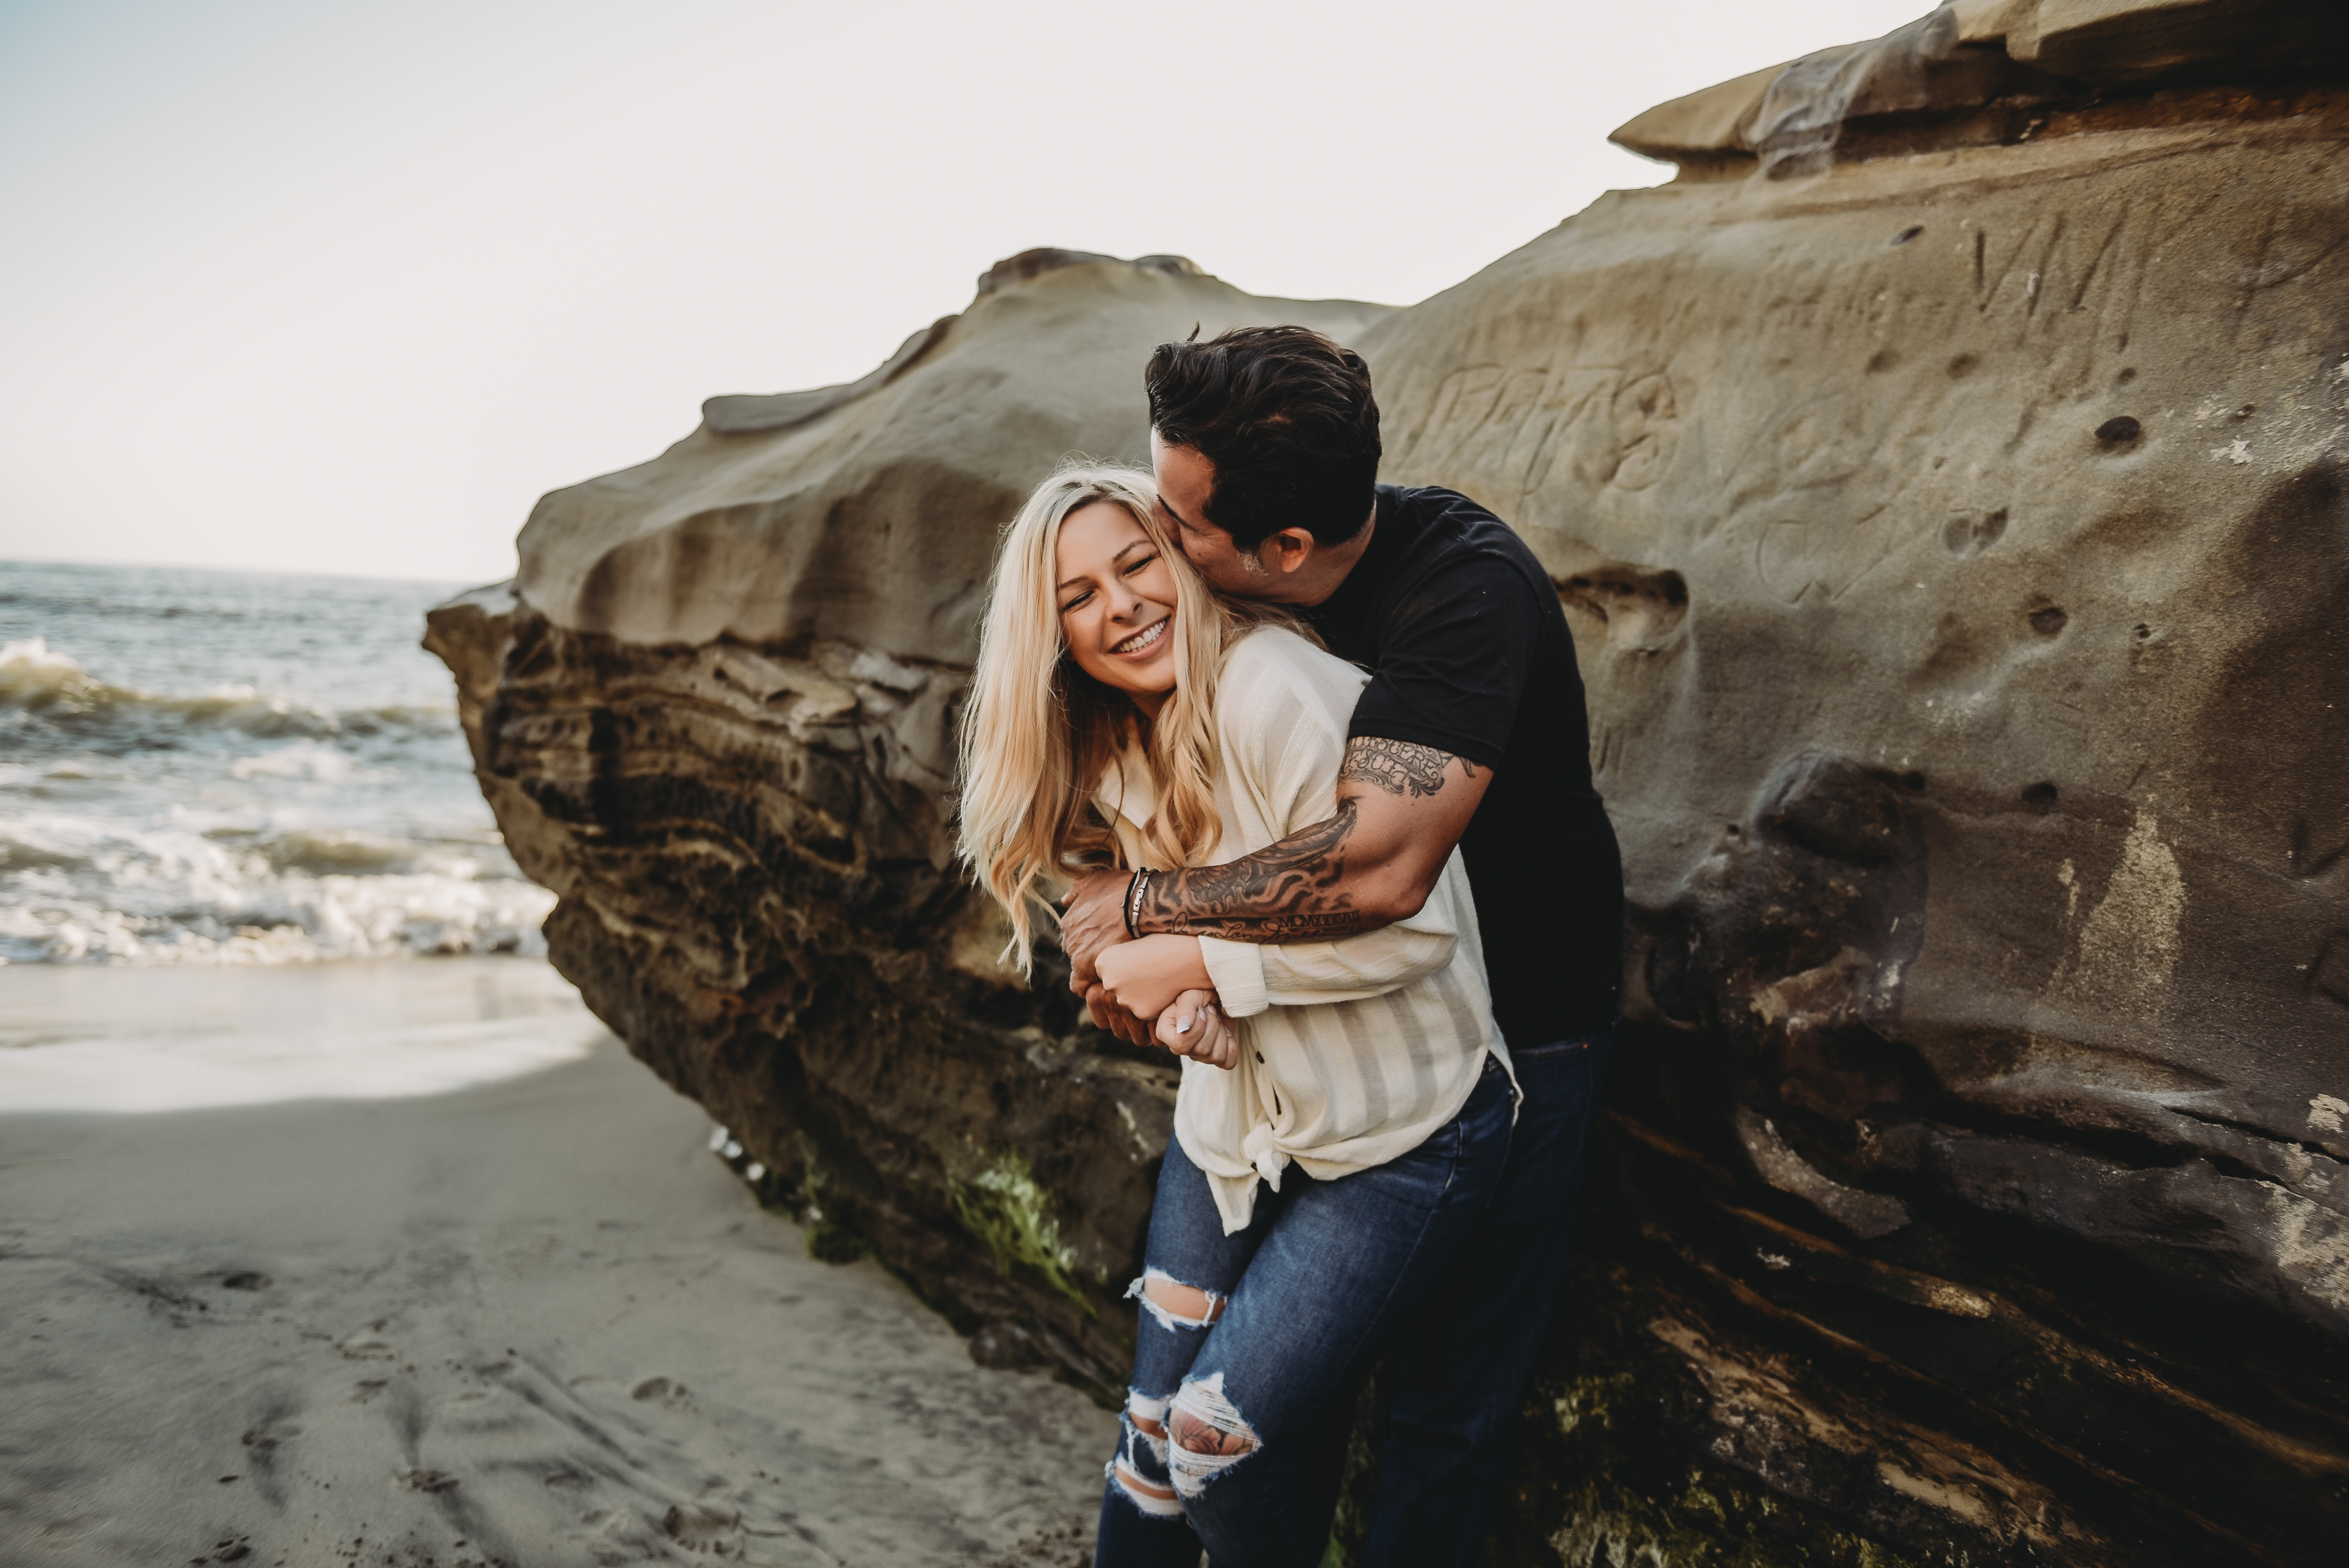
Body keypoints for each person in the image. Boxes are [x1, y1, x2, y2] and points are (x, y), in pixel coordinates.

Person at [1058, 326, 1624, 1566]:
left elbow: (1377, 867)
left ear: (1288, 550)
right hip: (1308, 1041)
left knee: (1446, 1402)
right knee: (1274, 1403)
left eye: (1179, 522)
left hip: (1517, 1029)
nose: (1161, 541)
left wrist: (1157, 915)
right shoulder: (1228, 583)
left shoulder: (1461, 595)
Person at [957, 463, 1521, 1567]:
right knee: (1151, 1440)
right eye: (1078, 596)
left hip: (1399, 1132)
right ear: (1052, 631)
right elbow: (1187, 967)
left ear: (1183, 558)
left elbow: (1414, 934)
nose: (1119, 607)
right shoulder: (1109, 741)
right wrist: (1186, 1004)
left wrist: (1201, 965)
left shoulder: (1280, 692)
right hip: (1235, 1128)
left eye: (1136, 564)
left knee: (1214, 1444)